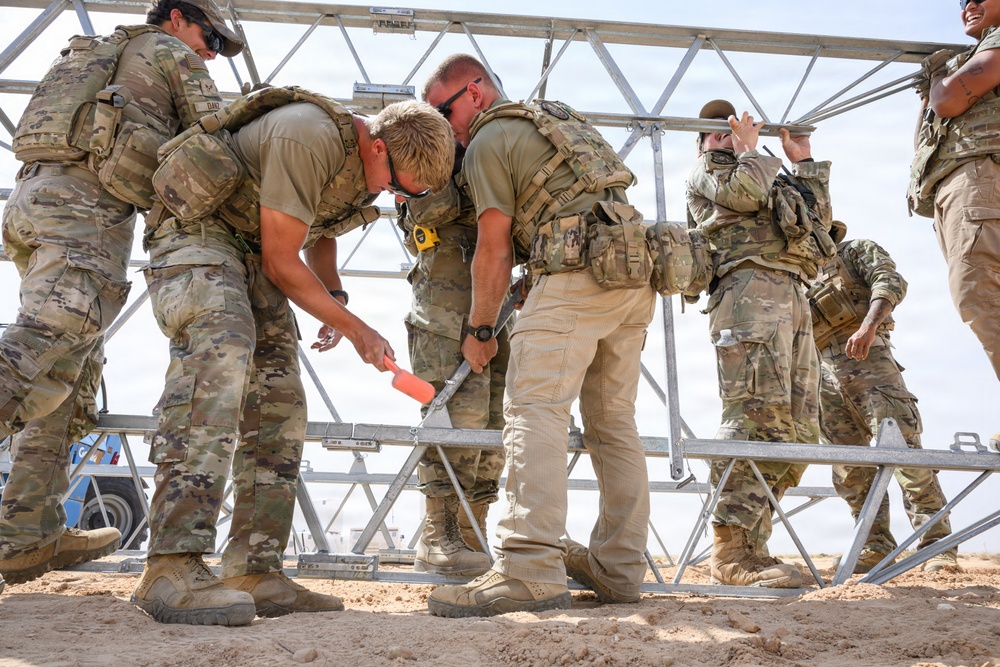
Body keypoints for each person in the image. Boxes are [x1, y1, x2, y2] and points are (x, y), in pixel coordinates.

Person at [130, 91, 454, 626]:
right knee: (223, 352)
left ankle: (252, 568)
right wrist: (358, 332)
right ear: (377, 146)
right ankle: (170, 564)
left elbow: (319, 229)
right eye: (396, 184)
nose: (393, 194)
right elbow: (284, 263)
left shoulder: (362, 164)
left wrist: (334, 298)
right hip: (200, 233)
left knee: (280, 398)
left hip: (253, 247)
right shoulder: (304, 134)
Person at [0, 0, 242, 588]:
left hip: (36, 204)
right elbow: (220, 138)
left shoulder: (102, 52)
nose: (211, 51)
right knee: (35, 356)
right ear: (179, 18)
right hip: (84, 217)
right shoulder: (169, 54)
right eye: (210, 36)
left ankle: (25, 531)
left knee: (67, 366)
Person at [422, 54, 656, 617]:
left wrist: (481, 328)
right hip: (633, 272)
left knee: (535, 412)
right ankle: (621, 568)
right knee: (614, 425)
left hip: (575, 280)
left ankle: (528, 566)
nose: (442, 127)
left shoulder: (486, 140)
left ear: (474, 93)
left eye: (442, 111)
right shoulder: (556, 118)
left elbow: (493, 245)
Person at [686, 99, 833, 588]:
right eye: (717, 131)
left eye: (733, 127)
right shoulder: (709, 172)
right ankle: (730, 553)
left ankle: (753, 544)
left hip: (792, 293)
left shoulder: (770, 172)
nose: (728, 135)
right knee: (754, 418)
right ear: (703, 142)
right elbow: (745, 193)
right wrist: (750, 150)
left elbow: (820, 224)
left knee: (802, 430)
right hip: (746, 293)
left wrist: (803, 163)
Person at [810, 221, 958, 573]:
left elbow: (889, 281)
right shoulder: (796, 275)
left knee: (905, 455)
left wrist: (868, 326)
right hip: (822, 377)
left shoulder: (854, 251)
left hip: (870, 361)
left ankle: (937, 545)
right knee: (850, 470)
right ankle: (874, 545)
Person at [396, 143, 510, 577]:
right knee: (453, 420)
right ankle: (439, 536)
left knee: (495, 421)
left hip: (496, 308)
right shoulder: (433, 154)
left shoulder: (489, 150)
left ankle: (471, 533)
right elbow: (426, 209)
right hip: (446, 311)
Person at [913, 0, 1000, 449]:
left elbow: (948, 101)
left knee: (976, 290)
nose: (969, 5)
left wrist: (936, 78)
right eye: (962, 0)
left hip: (980, 180)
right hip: (966, 186)